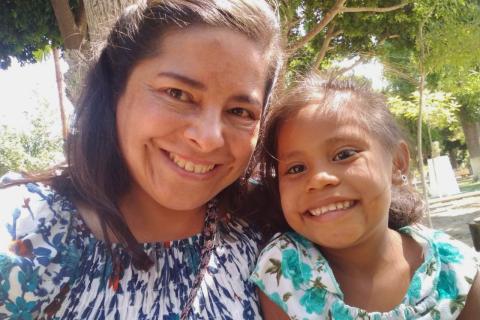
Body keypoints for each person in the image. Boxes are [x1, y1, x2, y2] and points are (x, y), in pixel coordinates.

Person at [0, 0, 283, 318]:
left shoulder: (271, 228)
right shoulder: (25, 229)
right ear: (115, 90)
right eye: (177, 93)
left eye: (240, 112)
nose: (207, 139)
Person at [249, 73, 480, 319]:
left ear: (397, 164)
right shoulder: (284, 273)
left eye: (344, 154)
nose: (319, 179)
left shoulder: (457, 270)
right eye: (296, 168)